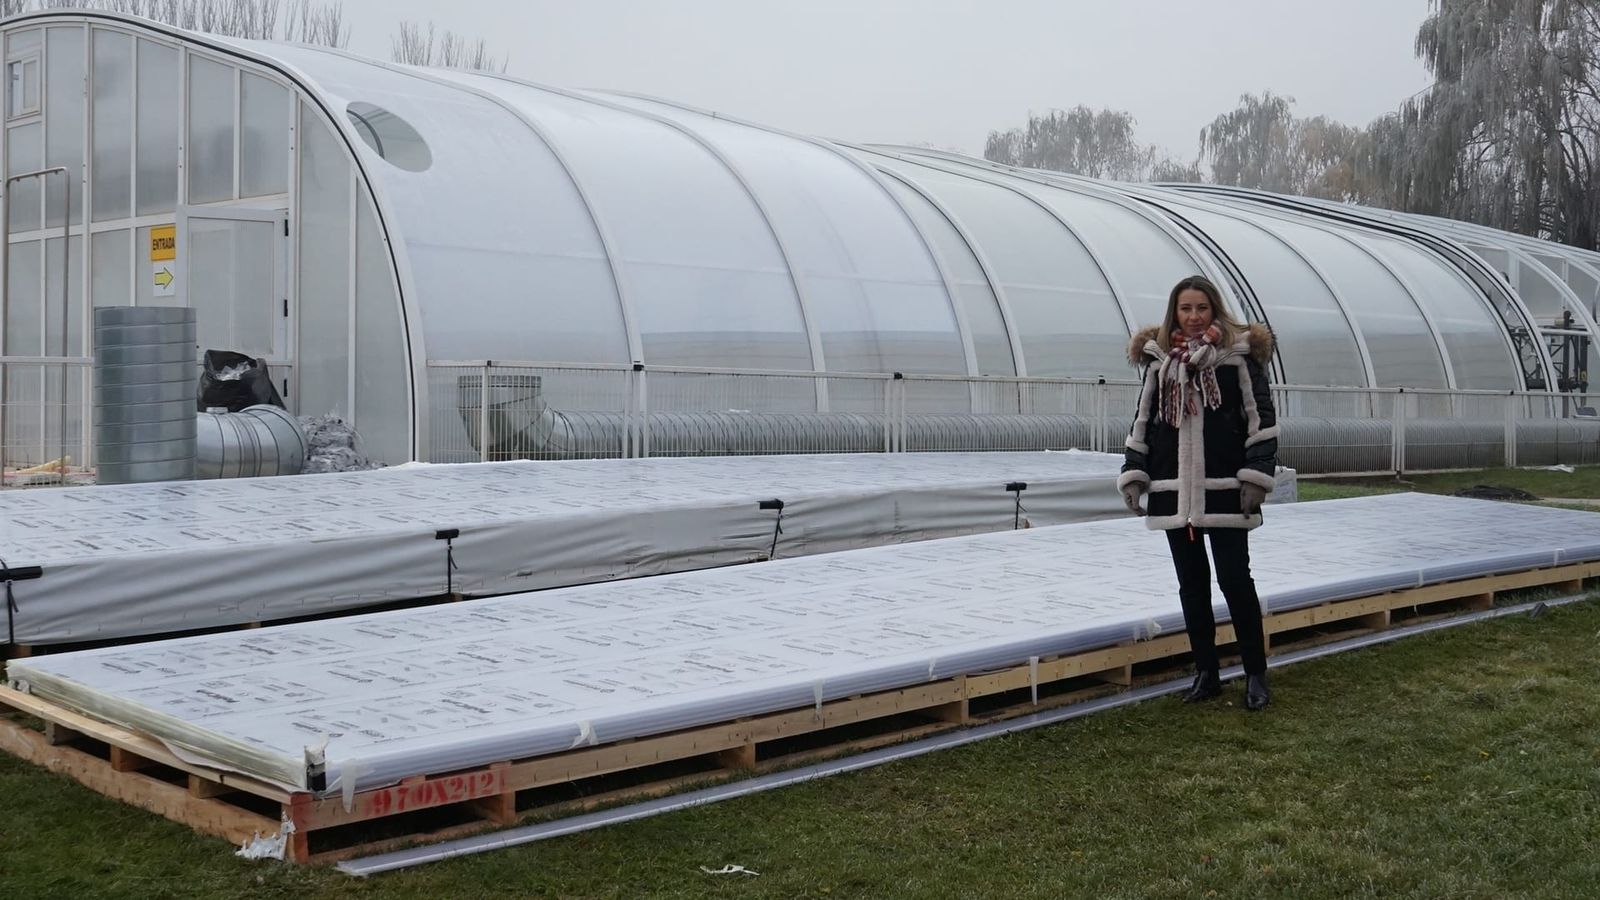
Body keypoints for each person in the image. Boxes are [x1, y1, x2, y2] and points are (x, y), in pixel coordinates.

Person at [1116, 275, 1279, 711]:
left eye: (1201, 308)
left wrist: (1255, 476)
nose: (1193, 317)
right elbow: (1144, 423)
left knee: (1235, 580)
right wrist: (1134, 473)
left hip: (1225, 489)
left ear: (1214, 310)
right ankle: (1206, 673)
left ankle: (1255, 674)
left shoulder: (1238, 358)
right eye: (1185, 309)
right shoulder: (1159, 363)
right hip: (1174, 490)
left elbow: (1260, 420)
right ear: (1175, 312)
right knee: (1191, 585)